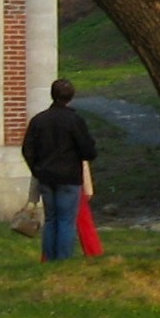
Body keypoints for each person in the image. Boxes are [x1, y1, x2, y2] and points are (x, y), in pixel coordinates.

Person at [21, 78, 99, 262]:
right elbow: (88, 151)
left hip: (46, 177)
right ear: (71, 97)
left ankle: (48, 258)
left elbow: (27, 149)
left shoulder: (39, 120)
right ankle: (63, 260)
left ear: (52, 95)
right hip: (69, 177)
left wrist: (37, 168)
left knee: (51, 220)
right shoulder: (75, 120)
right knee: (66, 221)